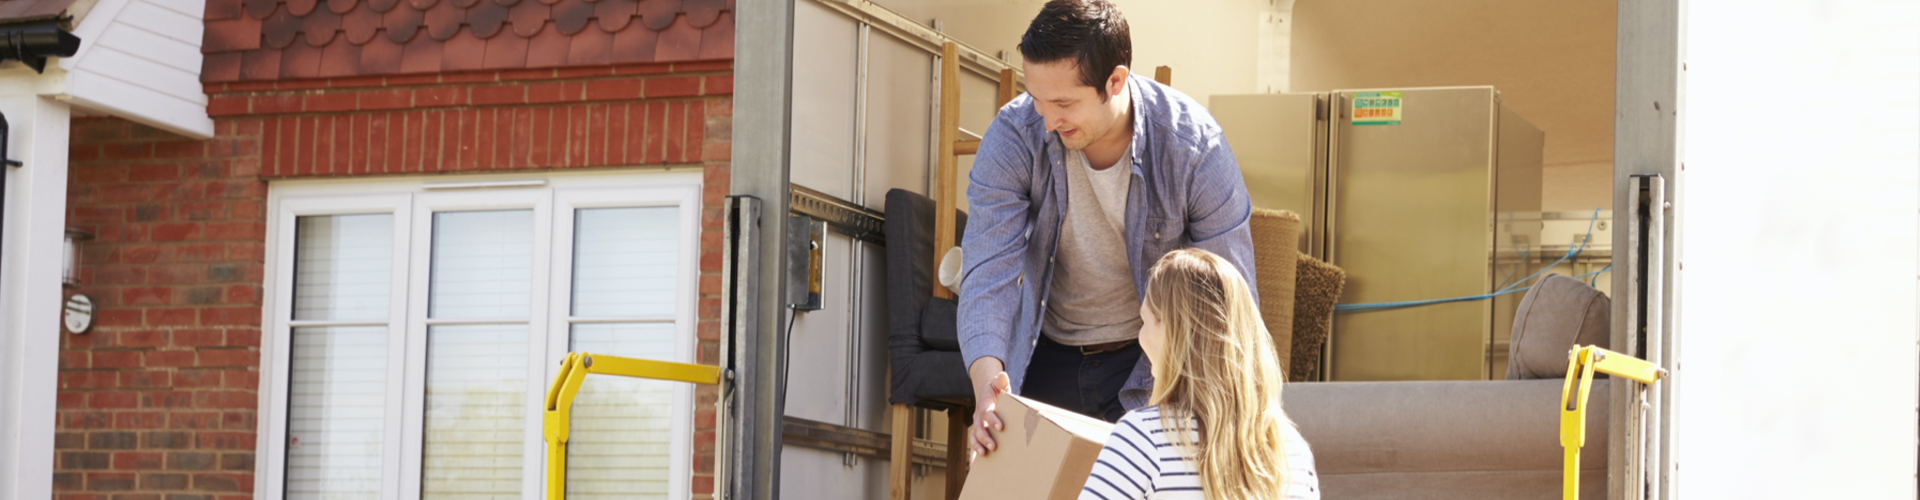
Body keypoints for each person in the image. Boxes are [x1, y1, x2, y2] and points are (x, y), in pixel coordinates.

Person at [959, 0, 1258, 460]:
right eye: (1037, 100)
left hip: (1152, 364)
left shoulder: (1195, 149)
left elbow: (1229, 302)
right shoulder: (1014, 136)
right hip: (1046, 352)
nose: (1048, 120)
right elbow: (986, 272)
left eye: (1064, 103)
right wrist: (986, 385)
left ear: (1115, 81)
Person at [1081, 248, 1318, 500]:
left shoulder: (1142, 438)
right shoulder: (1292, 451)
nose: (1141, 338)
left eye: (1145, 322)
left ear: (1171, 332)